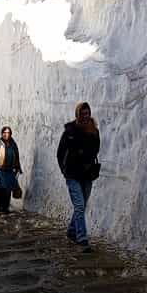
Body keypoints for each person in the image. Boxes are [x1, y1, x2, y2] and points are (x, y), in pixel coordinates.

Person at [56, 102, 101, 248]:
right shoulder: (69, 131)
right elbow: (60, 152)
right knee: (80, 205)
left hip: (87, 174)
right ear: (77, 114)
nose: (85, 116)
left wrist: (87, 157)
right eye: (82, 113)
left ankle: (71, 230)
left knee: (82, 206)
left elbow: (96, 149)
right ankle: (82, 238)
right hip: (73, 174)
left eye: (87, 113)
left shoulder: (94, 130)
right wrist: (65, 170)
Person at [0, 126, 22, 213]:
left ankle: (5, 207)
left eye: (8, 133)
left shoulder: (13, 144)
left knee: (8, 190)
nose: (6, 134)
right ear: (2, 134)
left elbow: (17, 156)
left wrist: (17, 168)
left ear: (10, 134)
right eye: (5, 133)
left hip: (9, 171)